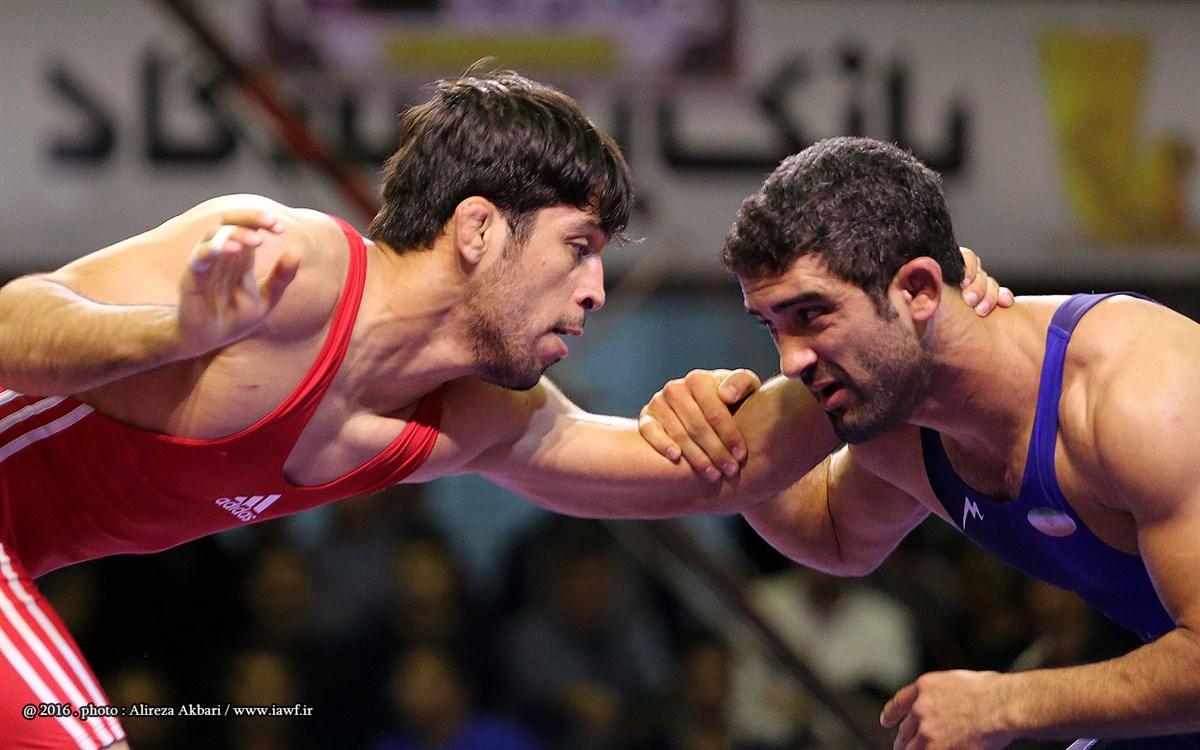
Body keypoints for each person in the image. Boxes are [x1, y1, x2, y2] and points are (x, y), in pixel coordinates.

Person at [0, 69, 1005, 750]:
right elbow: (14, 319)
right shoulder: (291, 267)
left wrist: (910, 329)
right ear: (479, 228)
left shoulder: (473, 418)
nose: (596, 290)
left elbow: (720, 472)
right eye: (578, 247)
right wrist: (165, 334)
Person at [636, 136, 1200, 749]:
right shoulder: (904, 416)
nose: (791, 361)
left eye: (811, 315)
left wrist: (1002, 704)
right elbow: (836, 533)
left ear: (921, 291)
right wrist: (717, 430)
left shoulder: (1145, 395)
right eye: (773, 326)